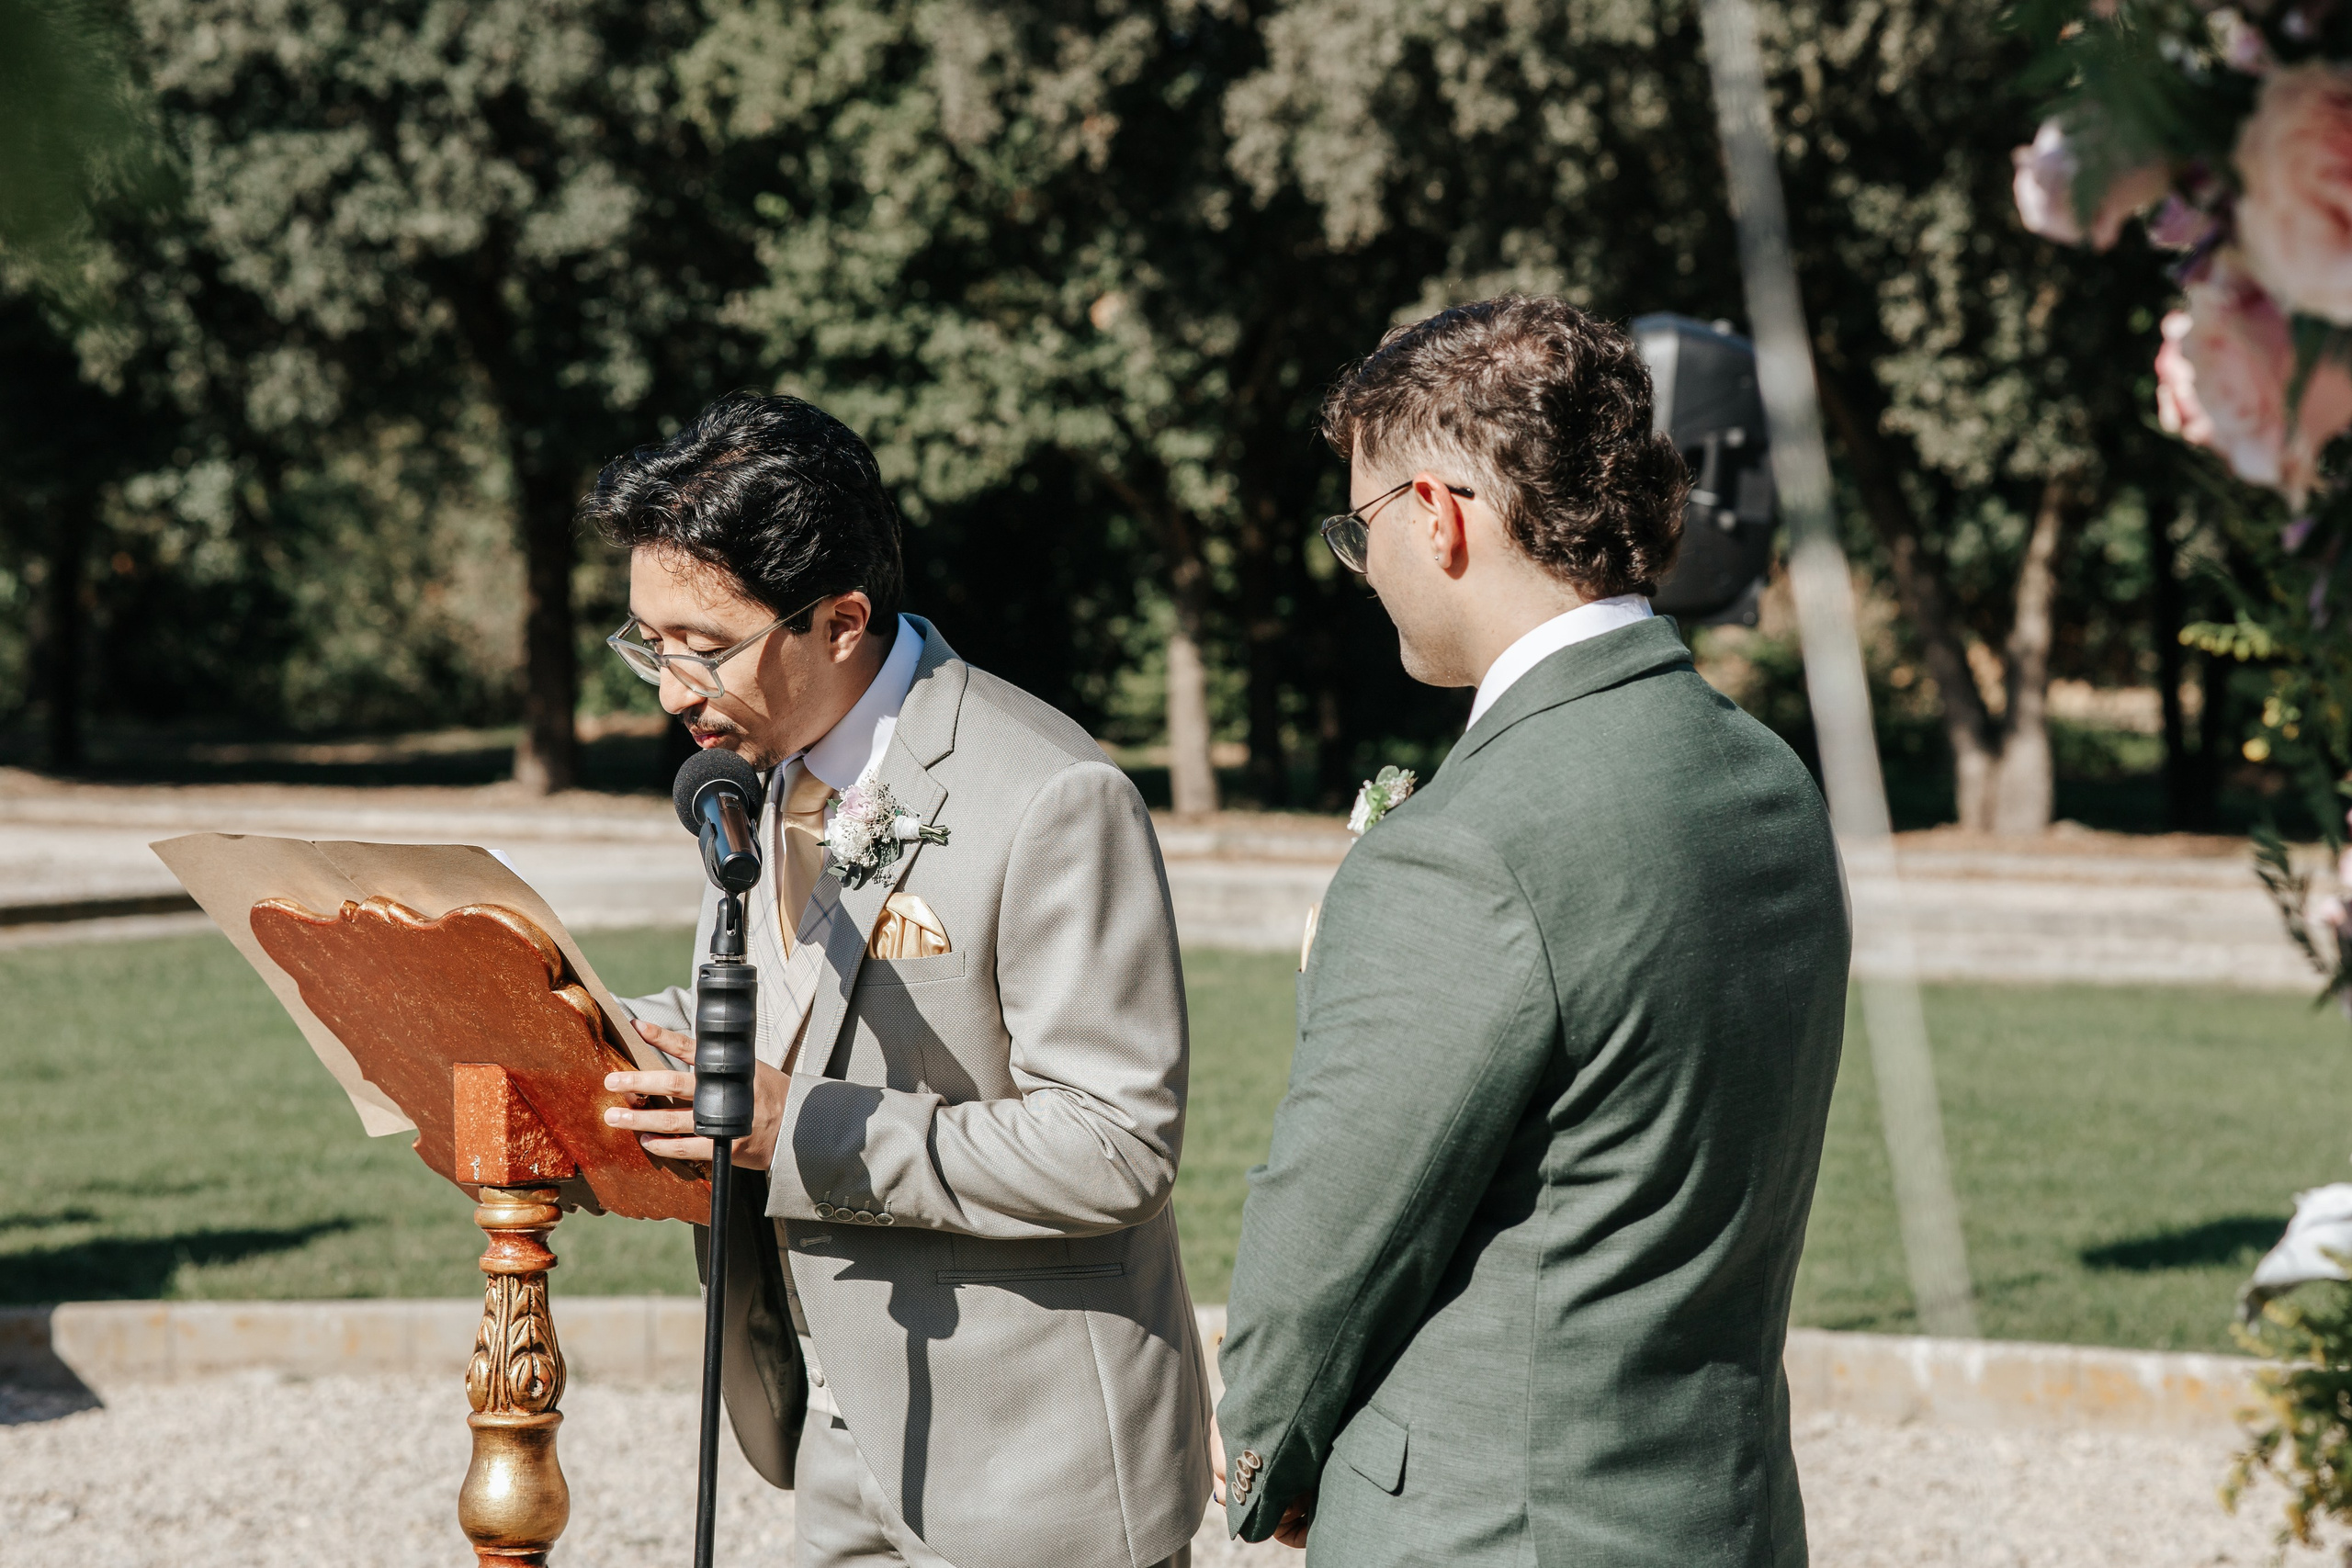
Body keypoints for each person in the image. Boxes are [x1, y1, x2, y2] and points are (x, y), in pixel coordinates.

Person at [1212, 296, 1849, 1566]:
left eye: (1362, 525)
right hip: (1721, 1511)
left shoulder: (1466, 841)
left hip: (1490, 1524)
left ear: (1439, 517)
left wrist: (1268, 1453)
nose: (1365, 564)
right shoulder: (1772, 780)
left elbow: (1334, 1226)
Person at [586, 391, 1211, 1568]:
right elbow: (794, 1021)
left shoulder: (1051, 794)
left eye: (702, 647)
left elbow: (1117, 1143)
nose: (669, 689)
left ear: (841, 621)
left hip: (1037, 1469)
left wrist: (800, 1131)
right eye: (648, 644)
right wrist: (598, 1028)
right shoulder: (765, 762)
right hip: (840, 1435)